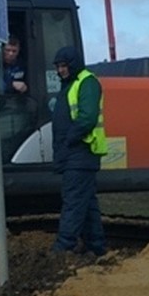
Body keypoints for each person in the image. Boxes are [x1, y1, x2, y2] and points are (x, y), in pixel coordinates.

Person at [50, 45, 107, 257]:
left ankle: (63, 247)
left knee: (73, 201)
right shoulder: (72, 84)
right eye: (58, 66)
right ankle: (96, 247)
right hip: (76, 154)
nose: (60, 70)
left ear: (72, 64)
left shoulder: (87, 83)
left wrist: (70, 139)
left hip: (81, 153)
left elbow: (87, 117)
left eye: (64, 66)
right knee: (87, 203)